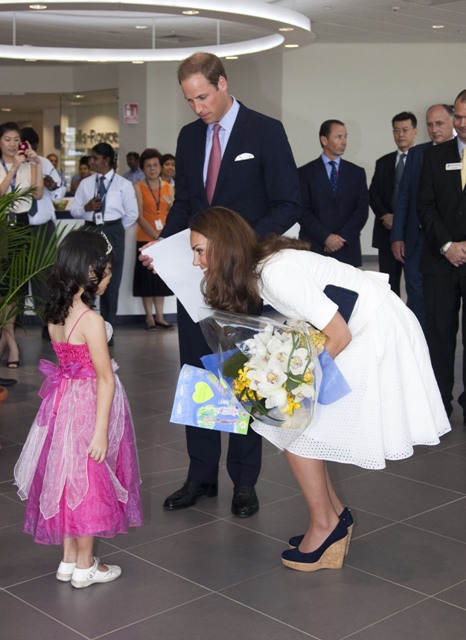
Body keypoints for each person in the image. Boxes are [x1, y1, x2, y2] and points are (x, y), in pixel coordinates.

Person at [188, 206, 450, 571]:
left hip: (374, 328)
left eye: (200, 250)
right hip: (359, 324)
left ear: (224, 244)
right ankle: (335, 517)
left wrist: (291, 385)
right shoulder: (263, 268)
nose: (196, 262)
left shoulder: (275, 273)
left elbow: (338, 335)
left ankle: (326, 526)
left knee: (295, 427)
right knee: (297, 423)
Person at [141, 52, 301, 517]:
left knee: (244, 376)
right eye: (189, 100)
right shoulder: (190, 137)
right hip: (196, 279)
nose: (198, 108)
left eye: (203, 97)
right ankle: (201, 476)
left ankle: (244, 481)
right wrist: (166, 244)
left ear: (223, 83)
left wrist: (239, 246)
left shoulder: (265, 131)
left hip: (244, 277)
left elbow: (288, 203)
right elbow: (186, 203)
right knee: (199, 376)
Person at [14, 230, 143, 588]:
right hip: (88, 405)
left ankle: (68, 559)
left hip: (63, 402)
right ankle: (86, 565)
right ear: (90, 271)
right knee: (89, 482)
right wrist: (101, 431)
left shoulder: (56, 314)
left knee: (65, 476)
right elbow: (104, 378)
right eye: (107, 270)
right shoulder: (91, 320)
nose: (109, 277)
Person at [417, 90, 466, 421]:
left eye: (465, 117)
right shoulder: (435, 156)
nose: (461, 123)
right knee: (439, 336)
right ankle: (439, 405)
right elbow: (425, 206)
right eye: (458, 117)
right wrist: (448, 245)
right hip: (440, 261)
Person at [391, 104, 454, 329]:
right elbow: (404, 197)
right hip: (417, 240)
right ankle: (416, 341)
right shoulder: (417, 153)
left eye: (440, 124)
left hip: (449, 240)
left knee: (444, 300)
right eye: (430, 125)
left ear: (454, 122)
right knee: (416, 296)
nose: (434, 129)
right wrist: (397, 236)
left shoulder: (460, 153)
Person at [71, 142, 138, 332]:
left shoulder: (123, 184)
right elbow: (75, 211)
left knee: (111, 281)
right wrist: (86, 208)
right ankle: (85, 328)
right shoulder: (86, 183)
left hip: (113, 231)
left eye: (95, 158)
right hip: (90, 230)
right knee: (87, 279)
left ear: (106, 160)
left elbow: (132, 214)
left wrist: (113, 228)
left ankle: (108, 330)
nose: (92, 161)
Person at [0, 121, 44, 369]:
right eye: (7, 139)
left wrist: (36, 164)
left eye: (16, 139)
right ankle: (11, 343)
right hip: (2, 224)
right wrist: (14, 168)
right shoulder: (8, 165)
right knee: (2, 287)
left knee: (15, 287)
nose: (12, 144)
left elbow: (38, 194)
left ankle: (6, 340)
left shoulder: (28, 165)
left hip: (22, 224)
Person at [298, 119, 369, 267]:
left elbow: (361, 210)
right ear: (324, 140)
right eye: (338, 137)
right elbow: (302, 211)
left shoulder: (356, 173)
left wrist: (341, 238)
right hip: (315, 247)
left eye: (345, 137)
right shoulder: (304, 173)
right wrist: (326, 237)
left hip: (347, 248)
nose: (344, 142)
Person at [21, 127, 67, 339]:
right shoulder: (12, 164)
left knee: (44, 278)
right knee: (19, 278)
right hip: (19, 227)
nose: (29, 149)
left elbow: (59, 192)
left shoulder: (44, 163)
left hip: (43, 228)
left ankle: (46, 323)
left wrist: (52, 185)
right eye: (25, 145)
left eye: (33, 146)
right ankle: (14, 323)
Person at [369, 111, 418, 295]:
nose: (400, 135)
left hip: (415, 233)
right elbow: (373, 194)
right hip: (386, 233)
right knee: (389, 287)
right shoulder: (383, 162)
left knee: (416, 286)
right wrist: (384, 215)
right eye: (396, 130)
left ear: (415, 131)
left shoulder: (425, 158)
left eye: (405, 130)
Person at [133, 148, 174, 329]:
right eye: (148, 166)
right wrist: (157, 236)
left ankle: (160, 316)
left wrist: (163, 236)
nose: (152, 169)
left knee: (160, 280)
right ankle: (149, 317)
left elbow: (173, 212)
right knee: (146, 281)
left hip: (164, 239)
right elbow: (140, 217)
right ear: (143, 168)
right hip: (146, 239)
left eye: (155, 165)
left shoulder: (169, 187)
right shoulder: (138, 187)